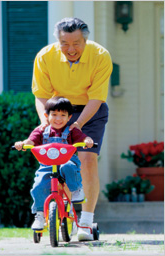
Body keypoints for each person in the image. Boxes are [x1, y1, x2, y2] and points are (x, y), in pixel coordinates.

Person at [32, 17, 113, 241]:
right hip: (58, 112)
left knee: (87, 159)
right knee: (61, 162)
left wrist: (77, 125)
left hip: (90, 111)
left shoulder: (100, 56)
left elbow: (96, 98)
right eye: (65, 43)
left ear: (85, 39)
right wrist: (45, 120)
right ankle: (63, 211)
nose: (71, 49)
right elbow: (41, 94)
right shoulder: (45, 57)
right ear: (57, 41)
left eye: (76, 43)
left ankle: (86, 221)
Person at [14, 96, 94, 231]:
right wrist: (22, 144)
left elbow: (83, 138)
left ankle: (76, 190)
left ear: (69, 118)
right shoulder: (41, 130)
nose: (58, 119)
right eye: (54, 114)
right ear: (47, 115)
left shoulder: (72, 130)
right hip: (47, 165)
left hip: (67, 161)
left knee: (68, 166)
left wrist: (88, 140)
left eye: (63, 115)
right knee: (39, 184)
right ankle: (39, 215)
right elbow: (31, 141)